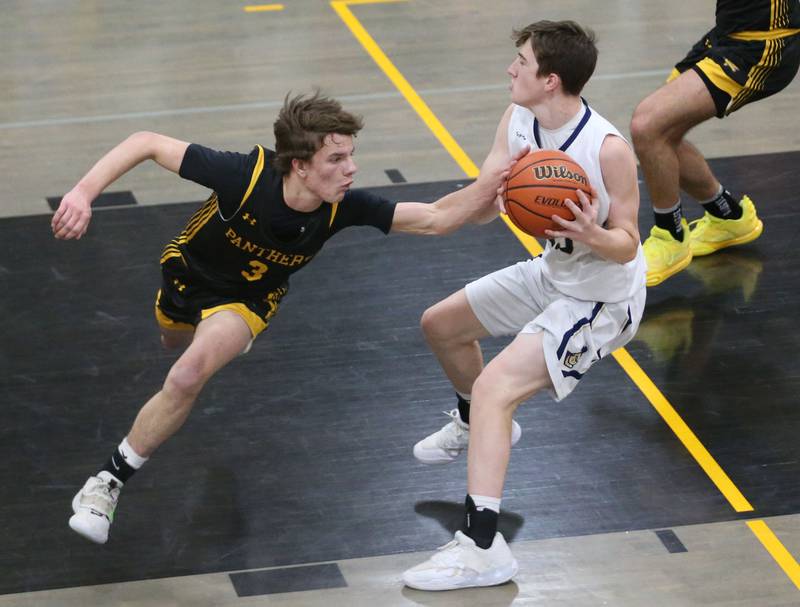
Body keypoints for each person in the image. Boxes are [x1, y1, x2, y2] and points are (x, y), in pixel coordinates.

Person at [53, 91, 519, 545]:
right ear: (299, 165)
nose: (351, 168)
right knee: (171, 342)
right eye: (336, 159)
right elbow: (146, 142)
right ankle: (196, 336)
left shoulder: (341, 206)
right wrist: (82, 193)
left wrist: (487, 193)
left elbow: (435, 218)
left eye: (351, 155)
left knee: (186, 375)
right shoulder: (244, 176)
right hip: (186, 275)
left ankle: (105, 483)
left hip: (249, 299)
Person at [402, 21, 646, 591]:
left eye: (521, 61)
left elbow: (629, 244)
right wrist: (478, 202)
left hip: (601, 299)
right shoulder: (517, 121)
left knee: (496, 389)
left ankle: (483, 549)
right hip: (553, 273)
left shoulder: (607, 149)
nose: (510, 69)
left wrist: (590, 231)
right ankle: (475, 425)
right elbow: (484, 203)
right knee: (441, 325)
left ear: (550, 79)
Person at [631, 1, 800, 287]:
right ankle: (729, 217)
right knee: (662, 133)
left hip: (762, 46)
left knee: (648, 126)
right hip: (726, 37)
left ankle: (670, 238)